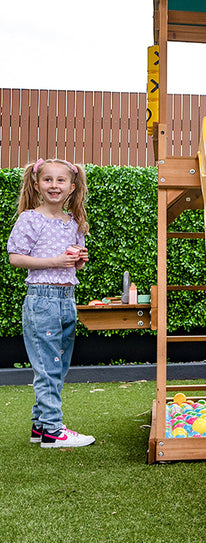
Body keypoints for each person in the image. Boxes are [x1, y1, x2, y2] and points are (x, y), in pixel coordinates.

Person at [7, 159, 95, 448]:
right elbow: (15, 257)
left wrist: (78, 261)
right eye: (48, 180)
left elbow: (74, 267)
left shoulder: (74, 222)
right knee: (47, 366)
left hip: (66, 298)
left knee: (57, 365)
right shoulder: (30, 219)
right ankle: (53, 432)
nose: (54, 185)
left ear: (72, 187)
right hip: (42, 299)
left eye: (60, 181)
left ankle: (40, 425)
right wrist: (56, 262)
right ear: (36, 185)